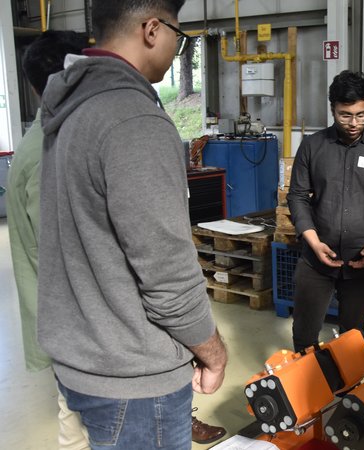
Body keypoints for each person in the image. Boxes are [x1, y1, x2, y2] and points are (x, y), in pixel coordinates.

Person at [37, 1, 227, 448]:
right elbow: (167, 273)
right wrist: (213, 353)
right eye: (179, 38)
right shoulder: (133, 118)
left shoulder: (71, 107)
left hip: (82, 359)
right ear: (151, 29)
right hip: (135, 380)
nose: (176, 49)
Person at [7, 30, 91, 450]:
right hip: (72, 317)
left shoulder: (49, 136)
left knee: (75, 407)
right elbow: (67, 248)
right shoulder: (49, 149)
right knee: (76, 412)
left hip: (70, 317)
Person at [287, 70, 364, 352]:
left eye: (361, 115)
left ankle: (348, 389)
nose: (353, 123)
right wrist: (313, 242)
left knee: (352, 334)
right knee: (304, 332)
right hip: (316, 257)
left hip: (362, 258)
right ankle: (308, 388)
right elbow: (298, 196)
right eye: (345, 115)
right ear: (332, 109)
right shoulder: (312, 147)